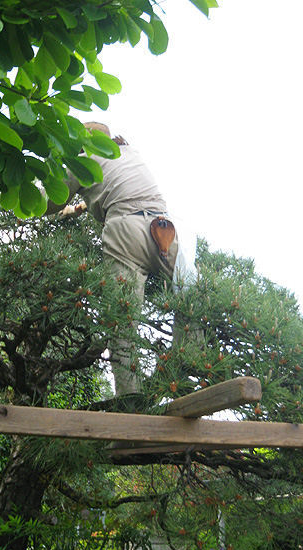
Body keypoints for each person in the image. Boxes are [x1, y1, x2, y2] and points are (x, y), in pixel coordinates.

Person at [45, 122, 194, 400]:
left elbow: (51, 201)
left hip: (126, 233)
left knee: (122, 323)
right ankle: (183, 370)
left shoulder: (82, 159)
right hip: (165, 231)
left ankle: (130, 400)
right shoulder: (127, 152)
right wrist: (78, 208)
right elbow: (117, 186)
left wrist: (25, 196)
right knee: (193, 303)